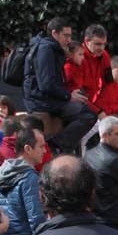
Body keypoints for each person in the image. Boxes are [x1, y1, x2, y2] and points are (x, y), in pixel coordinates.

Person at [23, 18, 97, 153]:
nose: (69, 40)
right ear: (54, 34)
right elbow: (46, 84)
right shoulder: (46, 49)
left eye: (70, 36)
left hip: (46, 99)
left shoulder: (50, 48)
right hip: (41, 102)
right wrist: (68, 96)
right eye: (66, 35)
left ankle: (62, 147)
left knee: (84, 112)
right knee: (88, 115)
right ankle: (56, 145)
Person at [0, 125, 47, 235]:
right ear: (28, 149)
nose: (44, 150)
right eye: (41, 146)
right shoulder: (29, 177)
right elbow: (36, 219)